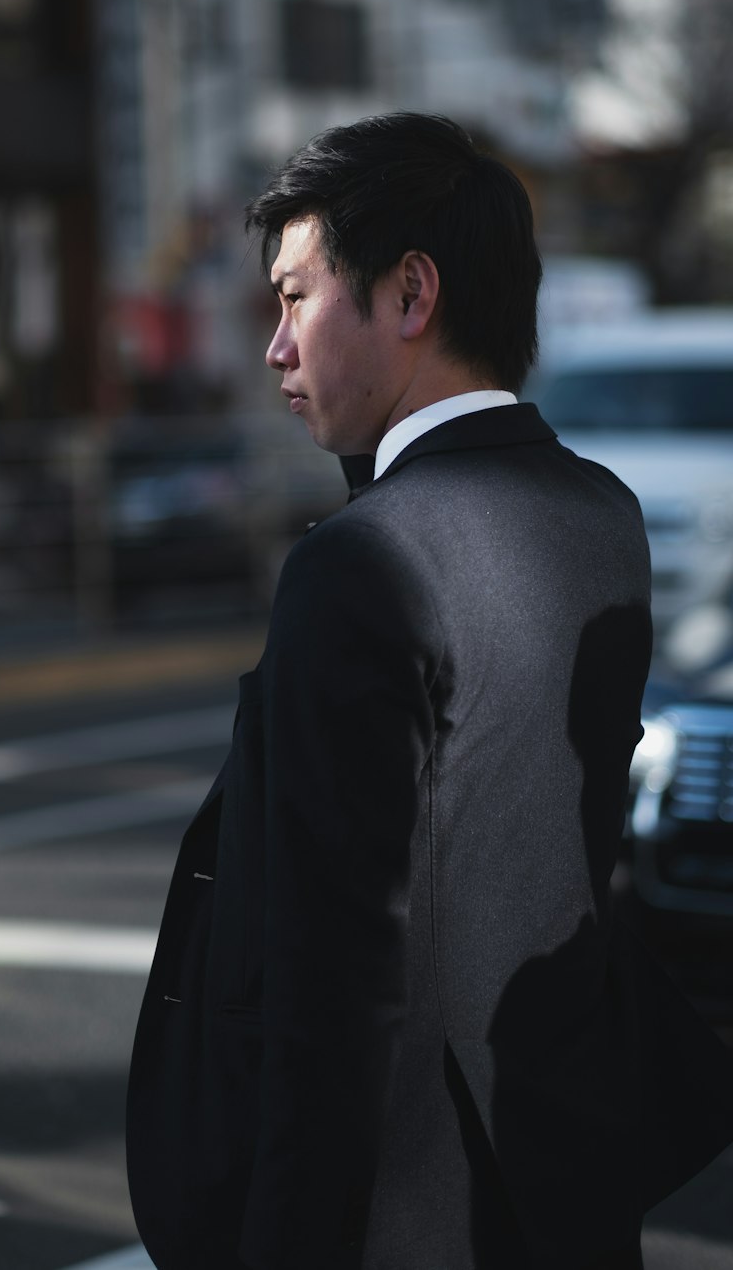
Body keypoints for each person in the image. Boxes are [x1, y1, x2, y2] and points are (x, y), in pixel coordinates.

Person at [125, 113, 733, 1270]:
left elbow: (333, 988)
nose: (275, 346)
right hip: (556, 1181)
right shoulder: (600, 518)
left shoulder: (365, 563)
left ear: (412, 294)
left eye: (296, 297)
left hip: (399, 1218)